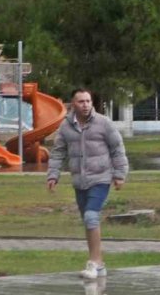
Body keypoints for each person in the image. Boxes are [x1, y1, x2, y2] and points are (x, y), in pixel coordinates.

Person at [47, 88, 128, 279]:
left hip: (101, 178)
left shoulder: (103, 123)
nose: (85, 105)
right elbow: (58, 152)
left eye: (88, 101)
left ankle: (94, 263)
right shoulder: (66, 126)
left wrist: (120, 174)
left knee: (91, 216)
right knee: (88, 221)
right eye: (81, 101)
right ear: (73, 104)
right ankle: (99, 265)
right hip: (79, 181)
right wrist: (53, 175)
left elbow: (117, 148)